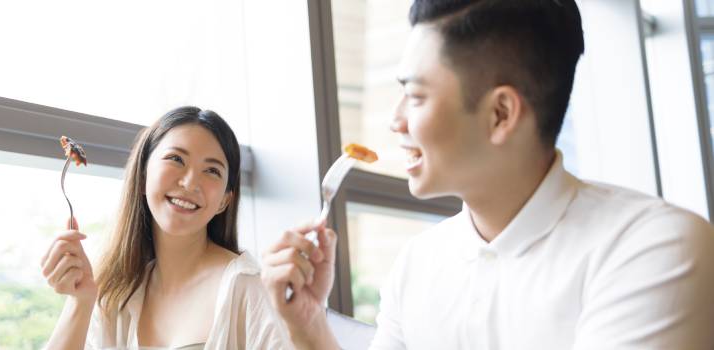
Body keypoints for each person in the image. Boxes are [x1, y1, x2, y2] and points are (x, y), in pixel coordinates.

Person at [260, 0, 714, 349]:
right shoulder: (417, 265)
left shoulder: (655, 249)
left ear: (500, 114)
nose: (394, 121)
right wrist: (309, 328)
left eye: (415, 97)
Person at [41, 106, 290, 349]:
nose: (190, 182)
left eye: (212, 170)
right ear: (142, 176)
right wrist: (80, 302)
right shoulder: (115, 292)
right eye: (176, 159)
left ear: (225, 200)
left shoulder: (248, 287)